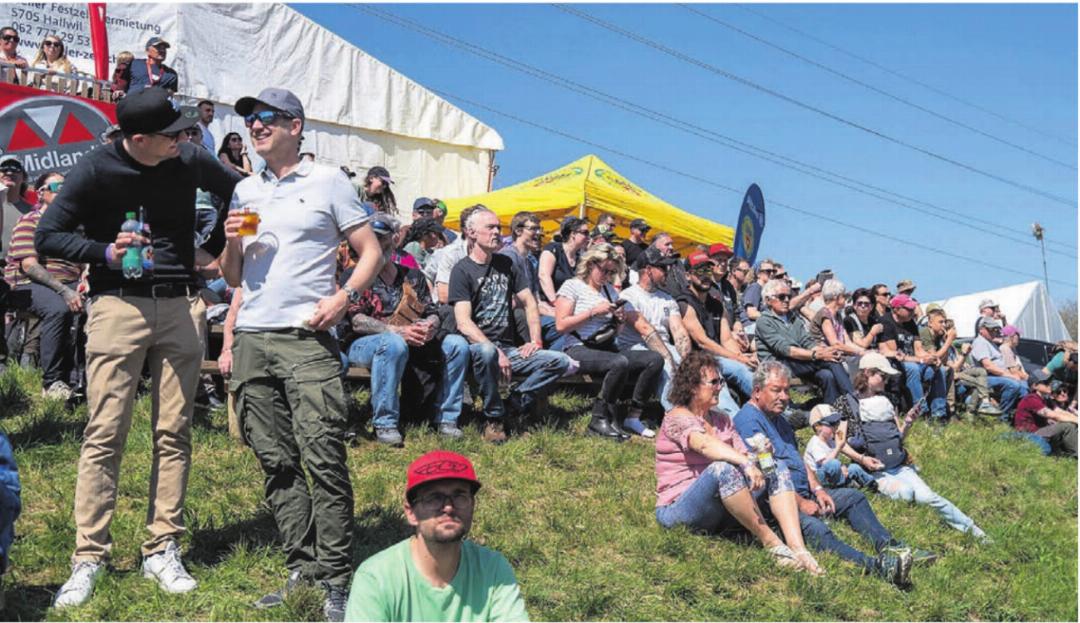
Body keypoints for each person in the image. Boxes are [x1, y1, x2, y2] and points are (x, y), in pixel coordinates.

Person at [36, 86, 243, 607]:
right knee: (104, 431)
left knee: (174, 431)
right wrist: (103, 250)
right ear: (139, 138)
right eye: (172, 134)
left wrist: (218, 245)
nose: (185, 139)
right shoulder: (95, 168)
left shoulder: (190, 157)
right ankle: (89, 557)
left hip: (181, 304)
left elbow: (244, 191)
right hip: (117, 306)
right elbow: (48, 235)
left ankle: (162, 548)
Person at [218, 87, 382, 621]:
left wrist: (344, 297)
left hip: (307, 339)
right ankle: (302, 568)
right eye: (251, 121)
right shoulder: (245, 190)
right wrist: (231, 243)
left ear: (295, 125)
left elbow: (371, 251)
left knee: (322, 456)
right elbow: (234, 275)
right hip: (253, 339)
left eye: (266, 118)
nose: (256, 127)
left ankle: (337, 578)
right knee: (276, 460)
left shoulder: (328, 181)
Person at [733, 361, 918, 586]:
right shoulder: (748, 421)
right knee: (817, 529)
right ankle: (876, 567)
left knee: (853, 497)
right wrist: (800, 503)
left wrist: (818, 489)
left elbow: (799, 461)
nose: (784, 396)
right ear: (757, 391)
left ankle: (891, 547)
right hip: (779, 504)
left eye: (787, 390)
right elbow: (770, 475)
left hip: (804, 492)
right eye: (776, 390)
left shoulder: (779, 419)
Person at [656, 351, 824, 575]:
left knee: (777, 467)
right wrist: (745, 462)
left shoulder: (722, 420)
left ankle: (799, 548)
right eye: (714, 382)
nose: (720, 387)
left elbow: (746, 454)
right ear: (692, 386)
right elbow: (704, 445)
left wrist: (762, 455)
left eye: (721, 381)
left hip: (719, 507)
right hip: (680, 508)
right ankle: (773, 544)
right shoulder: (676, 417)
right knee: (722, 469)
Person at [344, 450, 529, 622]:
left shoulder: (493, 569)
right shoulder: (376, 578)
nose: (448, 507)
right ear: (411, 513)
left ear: (472, 505)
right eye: (434, 498)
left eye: (459, 496)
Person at [343, 213, 469, 445]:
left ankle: (447, 418)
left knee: (457, 345)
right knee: (393, 344)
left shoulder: (411, 275)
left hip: (412, 339)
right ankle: (385, 423)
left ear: (395, 240)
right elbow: (356, 320)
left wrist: (430, 325)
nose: (377, 245)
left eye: (382, 239)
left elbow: (432, 309)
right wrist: (399, 332)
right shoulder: (355, 276)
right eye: (372, 239)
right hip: (365, 343)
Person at [449, 207, 571, 444]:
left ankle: (513, 404)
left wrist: (535, 341)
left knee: (560, 361)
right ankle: (493, 418)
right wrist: (494, 350)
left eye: (498, 227)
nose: (497, 232)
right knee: (485, 352)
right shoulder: (462, 269)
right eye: (490, 227)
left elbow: (529, 302)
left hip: (509, 348)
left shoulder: (507, 263)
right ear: (472, 233)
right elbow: (463, 322)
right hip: (477, 349)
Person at [851, 353, 989, 540]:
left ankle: (973, 530)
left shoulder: (887, 401)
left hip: (899, 467)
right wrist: (861, 459)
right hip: (877, 471)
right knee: (907, 494)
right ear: (867, 373)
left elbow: (898, 437)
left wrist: (907, 423)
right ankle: (873, 488)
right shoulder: (849, 403)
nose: (886, 382)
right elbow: (839, 442)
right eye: (882, 376)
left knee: (929, 498)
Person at [555, 243, 663, 440]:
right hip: (577, 348)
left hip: (605, 347)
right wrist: (592, 312)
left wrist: (619, 320)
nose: (606, 275)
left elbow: (614, 334)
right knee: (619, 362)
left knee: (654, 359)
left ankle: (633, 415)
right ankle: (599, 419)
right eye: (604, 270)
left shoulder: (610, 292)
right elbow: (561, 325)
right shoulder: (572, 286)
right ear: (590, 264)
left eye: (611, 272)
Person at [4, 171, 84, 398]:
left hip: (70, 282)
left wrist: (85, 280)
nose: (64, 190)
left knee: (98, 306)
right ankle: (52, 382)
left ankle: (81, 379)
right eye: (57, 186)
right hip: (28, 284)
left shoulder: (74, 226)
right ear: (41, 193)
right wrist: (65, 290)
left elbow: (85, 260)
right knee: (57, 309)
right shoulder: (30, 221)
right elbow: (29, 265)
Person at [754, 279, 854, 406]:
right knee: (829, 361)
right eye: (781, 297)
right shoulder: (764, 321)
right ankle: (853, 402)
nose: (786, 300)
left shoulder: (792, 318)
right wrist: (818, 355)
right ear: (768, 300)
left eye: (788, 296)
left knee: (826, 375)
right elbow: (786, 350)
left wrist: (825, 351)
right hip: (777, 363)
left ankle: (831, 414)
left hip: (797, 362)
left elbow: (807, 341)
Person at [616, 247, 692, 414]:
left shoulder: (668, 299)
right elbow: (645, 329)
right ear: (648, 270)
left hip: (663, 345)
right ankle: (676, 415)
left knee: (698, 368)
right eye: (663, 268)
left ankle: (716, 414)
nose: (668, 271)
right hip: (635, 347)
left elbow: (678, 330)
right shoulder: (628, 296)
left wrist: (688, 360)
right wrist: (669, 357)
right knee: (665, 363)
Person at [677, 253, 755, 409]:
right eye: (699, 271)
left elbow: (726, 339)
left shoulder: (717, 304)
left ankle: (781, 411)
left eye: (708, 270)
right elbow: (702, 342)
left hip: (718, 357)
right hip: (697, 359)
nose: (705, 275)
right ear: (688, 276)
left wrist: (741, 357)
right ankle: (733, 420)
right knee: (716, 379)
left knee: (745, 368)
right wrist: (737, 358)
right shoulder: (684, 302)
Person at [877, 294, 949, 423]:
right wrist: (921, 360)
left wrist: (931, 358)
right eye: (908, 309)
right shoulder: (886, 322)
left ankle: (939, 414)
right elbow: (895, 354)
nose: (912, 312)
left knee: (940, 370)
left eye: (912, 309)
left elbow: (919, 350)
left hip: (914, 360)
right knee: (912, 369)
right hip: (896, 362)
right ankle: (920, 412)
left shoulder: (911, 323)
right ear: (896, 309)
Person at [920, 307, 999, 417]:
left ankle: (983, 404)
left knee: (980, 372)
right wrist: (951, 342)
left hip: (954, 370)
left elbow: (941, 359)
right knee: (980, 384)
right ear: (930, 323)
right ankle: (959, 412)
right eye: (941, 322)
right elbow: (941, 361)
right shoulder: (928, 334)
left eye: (944, 323)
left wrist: (963, 353)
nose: (943, 325)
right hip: (950, 372)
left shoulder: (946, 343)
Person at [802, 404, 874, 489]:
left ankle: (872, 485)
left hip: (833, 473)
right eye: (832, 424)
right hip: (818, 478)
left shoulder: (830, 440)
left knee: (854, 467)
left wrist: (842, 467)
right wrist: (838, 448)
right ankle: (843, 486)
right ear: (817, 427)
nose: (836, 427)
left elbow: (837, 456)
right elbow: (826, 463)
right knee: (833, 464)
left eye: (837, 423)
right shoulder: (815, 443)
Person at [971, 317, 1028, 418]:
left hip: (998, 376)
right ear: (981, 330)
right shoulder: (980, 342)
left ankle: (1019, 418)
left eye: (995, 329)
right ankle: (1002, 416)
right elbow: (988, 366)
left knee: (1024, 388)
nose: (994, 332)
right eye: (991, 329)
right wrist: (1010, 376)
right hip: (985, 378)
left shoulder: (991, 342)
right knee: (1013, 385)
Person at [1013, 372, 1077, 457]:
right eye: (1046, 382)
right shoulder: (1031, 398)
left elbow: (1061, 412)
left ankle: (1068, 452)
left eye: (1050, 381)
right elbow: (1054, 416)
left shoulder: (1046, 399)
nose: (1050, 384)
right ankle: (1076, 454)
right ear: (1035, 386)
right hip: (1029, 434)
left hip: (1040, 431)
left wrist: (1075, 418)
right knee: (1067, 426)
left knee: (1071, 422)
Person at [809, 279, 867, 361]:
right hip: (824, 357)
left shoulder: (838, 315)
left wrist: (864, 351)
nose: (845, 299)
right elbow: (835, 344)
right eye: (844, 296)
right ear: (837, 297)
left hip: (838, 355)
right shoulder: (824, 314)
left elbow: (847, 342)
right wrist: (859, 352)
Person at [538, 216, 588, 307]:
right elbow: (544, 276)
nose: (588, 237)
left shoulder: (579, 258)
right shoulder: (553, 249)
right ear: (573, 234)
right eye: (585, 233)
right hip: (548, 305)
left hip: (569, 307)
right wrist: (555, 302)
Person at [1, 155, 34, 253]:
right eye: (4, 168)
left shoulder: (32, 212)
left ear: (24, 177)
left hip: (21, 266)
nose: (10, 172)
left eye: (16, 169)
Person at [739, 258, 775, 335]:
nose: (772, 274)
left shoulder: (765, 291)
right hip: (750, 327)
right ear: (758, 274)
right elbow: (751, 313)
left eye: (773, 271)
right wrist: (773, 318)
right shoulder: (755, 287)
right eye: (768, 271)